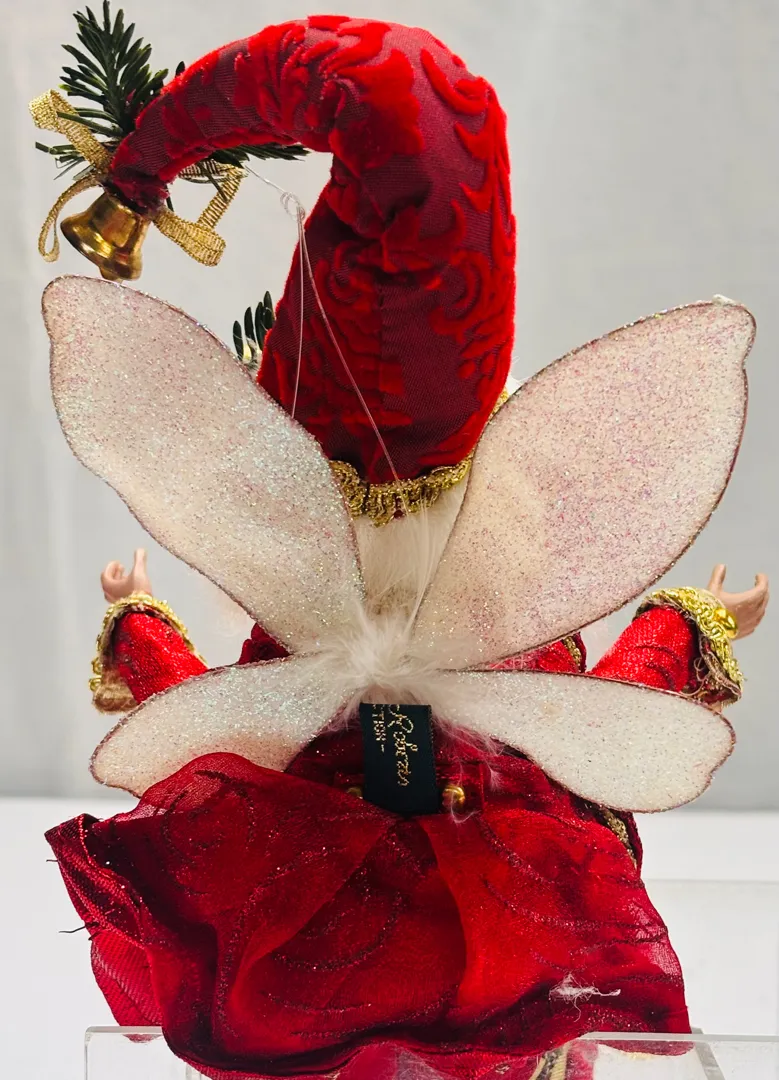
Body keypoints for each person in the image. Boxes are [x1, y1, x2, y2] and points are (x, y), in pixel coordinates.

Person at [43, 16, 768, 1080]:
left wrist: (137, 625)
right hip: (491, 967)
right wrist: (684, 623)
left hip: (325, 979)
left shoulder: (322, 653)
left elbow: (220, 739)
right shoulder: (499, 642)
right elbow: (593, 715)